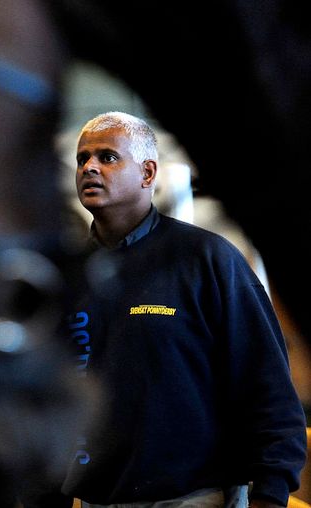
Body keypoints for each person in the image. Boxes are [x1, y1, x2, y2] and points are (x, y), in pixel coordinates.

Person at [61, 112, 307, 507]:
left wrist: (271, 491)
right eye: (82, 159)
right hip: (96, 499)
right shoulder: (67, 276)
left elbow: (268, 384)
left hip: (196, 497)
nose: (89, 167)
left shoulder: (207, 259)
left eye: (107, 157)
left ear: (147, 173)